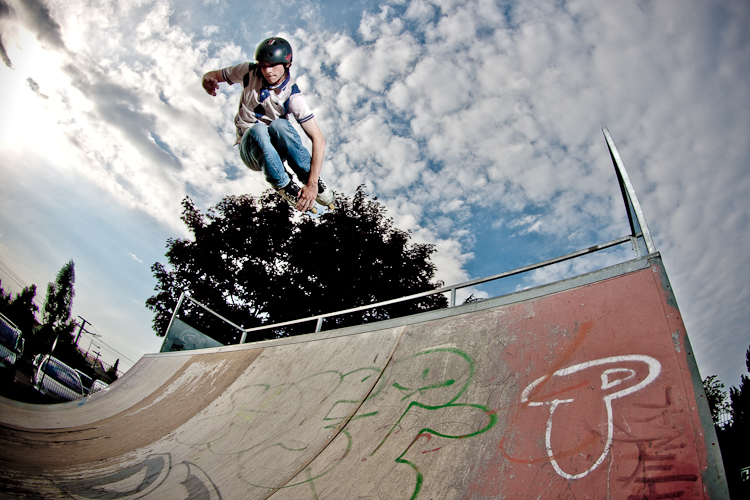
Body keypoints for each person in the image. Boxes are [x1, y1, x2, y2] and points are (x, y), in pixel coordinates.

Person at [201, 36, 333, 213]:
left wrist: (312, 183)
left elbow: (318, 139)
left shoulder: (293, 95)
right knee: (258, 129)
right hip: (252, 150)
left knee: (280, 125)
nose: (267, 71)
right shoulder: (248, 71)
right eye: (263, 66)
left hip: (277, 147)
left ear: (287, 64)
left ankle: (308, 176)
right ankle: (284, 184)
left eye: (272, 65)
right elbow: (214, 75)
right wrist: (207, 80)